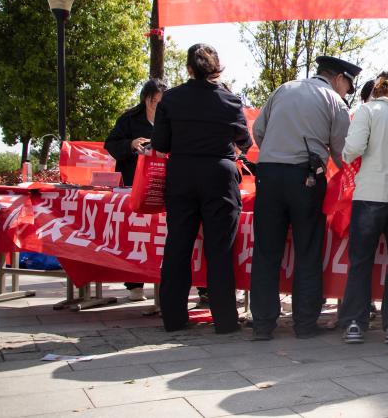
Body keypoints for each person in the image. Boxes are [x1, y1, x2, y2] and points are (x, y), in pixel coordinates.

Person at [250, 55, 359, 340]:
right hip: (306, 179)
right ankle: (305, 323)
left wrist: (277, 154)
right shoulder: (334, 101)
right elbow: (342, 152)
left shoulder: (284, 89)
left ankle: (262, 324)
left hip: (268, 175)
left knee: (265, 251)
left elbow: (258, 131)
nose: (347, 92)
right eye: (348, 87)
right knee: (307, 250)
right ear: (339, 78)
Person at [152, 44, 252, 334]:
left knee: (178, 245)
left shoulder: (171, 99)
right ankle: (225, 320)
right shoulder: (230, 100)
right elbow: (244, 141)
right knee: (219, 249)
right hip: (219, 176)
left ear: (189, 68)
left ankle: (173, 319)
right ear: (216, 68)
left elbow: (160, 144)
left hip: (181, 174)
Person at [337, 72, 388, 345]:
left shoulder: (368, 111)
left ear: (377, 91)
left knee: (361, 261)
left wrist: (346, 154)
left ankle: (354, 324)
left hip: (370, 193)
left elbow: (353, 148)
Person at [105, 78, 167, 302]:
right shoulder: (129, 118)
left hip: (162, 182)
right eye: (153, 101)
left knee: (160, 233)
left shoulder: (170, 118)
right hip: (134, 181)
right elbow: (110, 144)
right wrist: (130, 145)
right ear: (145, 99)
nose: (156, 106)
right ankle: (134, 284)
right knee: (135, 231)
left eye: (161, 102)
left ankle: (164, 281)